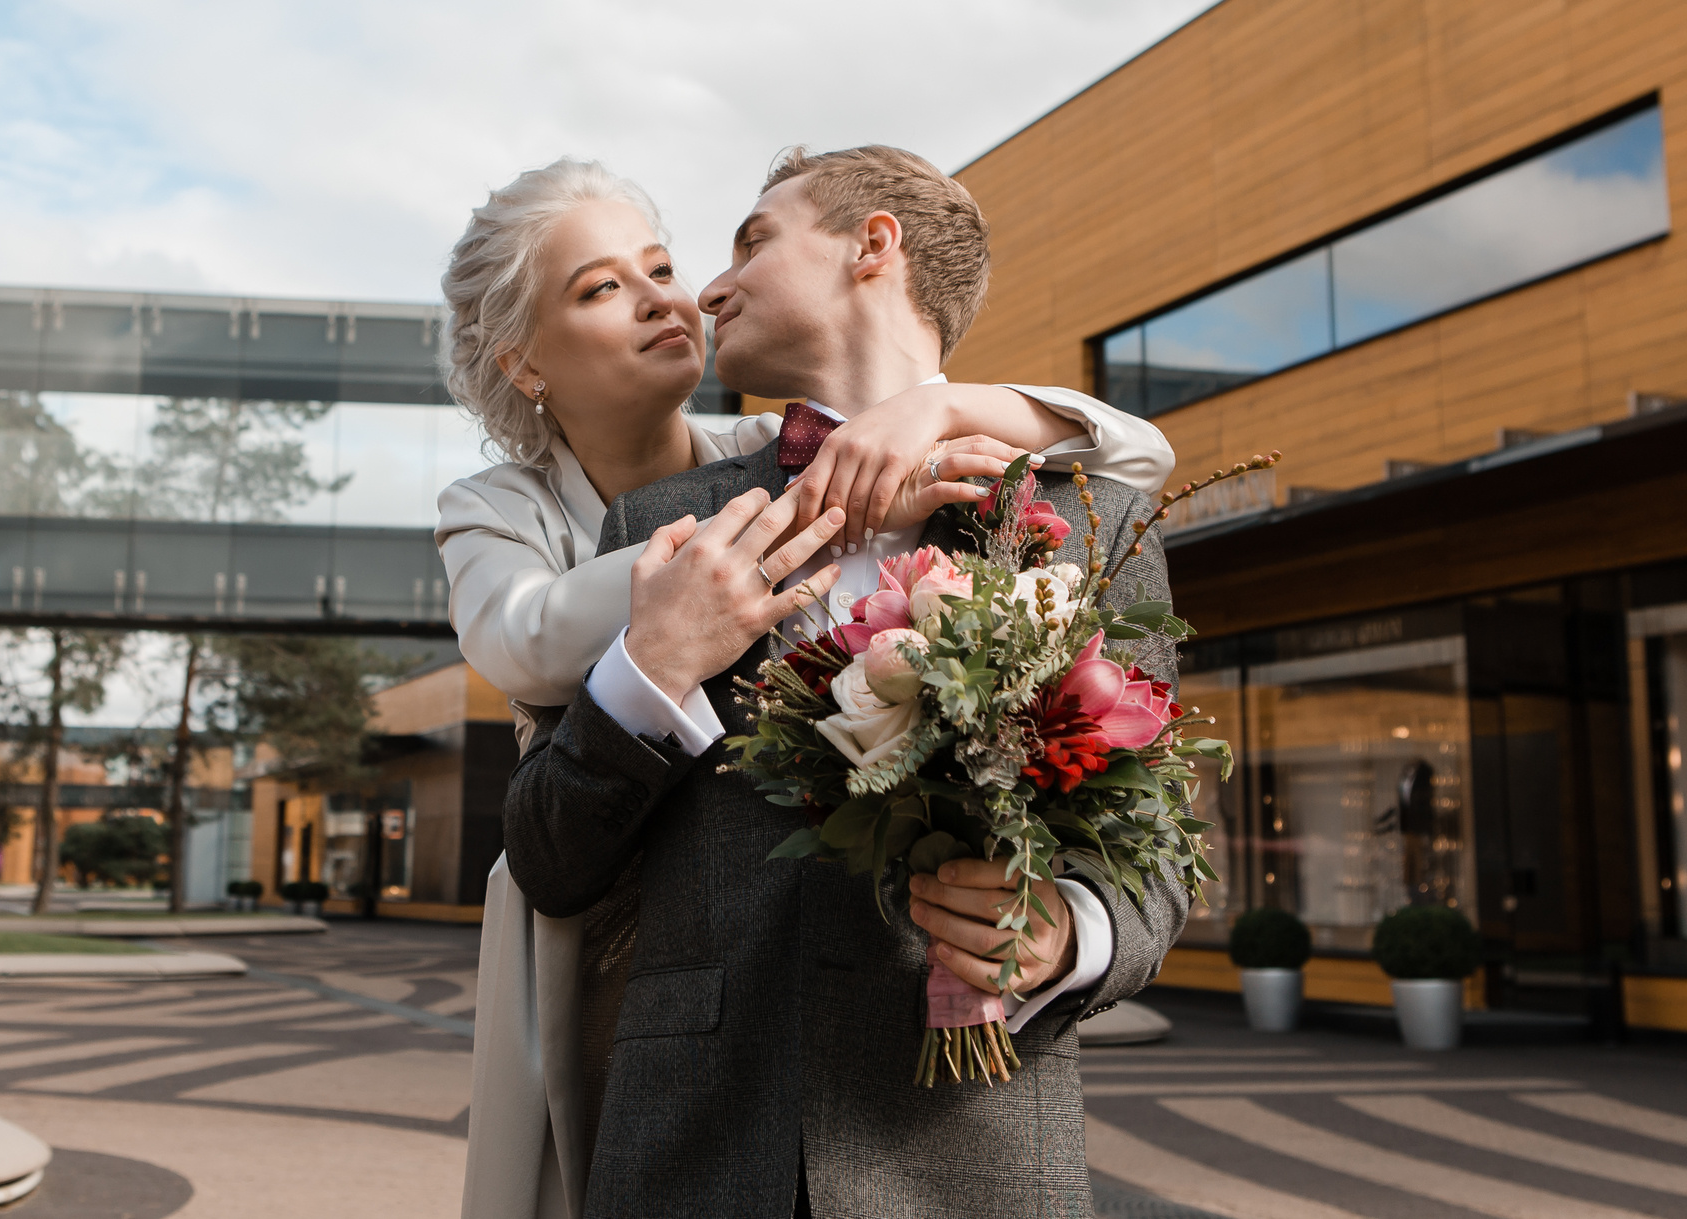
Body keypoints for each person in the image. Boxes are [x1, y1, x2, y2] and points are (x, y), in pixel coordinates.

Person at [437, 158, 1173, 1219]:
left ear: (872, 246)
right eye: (606, 284)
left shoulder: (1093, 526)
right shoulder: (660, 529)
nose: (703, 291)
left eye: (749, 243)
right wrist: (654, 667)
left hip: (974, 1163)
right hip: (692, 1155)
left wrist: (1067, 932)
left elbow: (1155, 860)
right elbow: (548, 851)